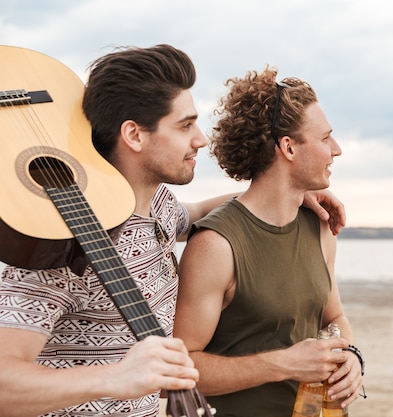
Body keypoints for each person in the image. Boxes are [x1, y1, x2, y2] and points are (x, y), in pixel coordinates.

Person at [0, 45, 345, 417]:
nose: (200, 139)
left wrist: (296, 192)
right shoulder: (60, 243)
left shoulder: (158, 205)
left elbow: (195, 211)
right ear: (134, 135)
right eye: (184, 126)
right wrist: (113, 378)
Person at [173, 67, 364, 417]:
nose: (336, 150)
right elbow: (183, 367)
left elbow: (333, 317)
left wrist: (351, 354)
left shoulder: (319, 227)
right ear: (288, 147)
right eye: (325, 139)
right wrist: (284, 364)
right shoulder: (215, 244)